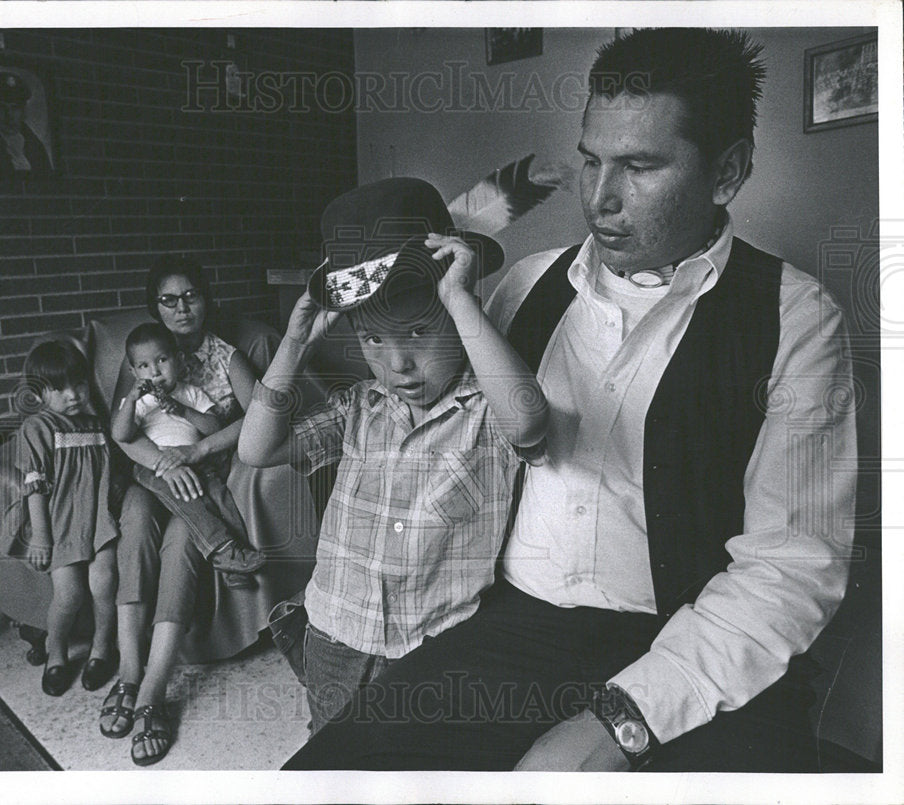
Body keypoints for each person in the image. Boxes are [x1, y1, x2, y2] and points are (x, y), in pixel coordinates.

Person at [283, 28, 857, 772]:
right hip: (508, 630)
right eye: (590, 159)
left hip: (691, 639)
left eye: (640, 166)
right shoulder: (523, 285)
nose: (599, 197)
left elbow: (791, 568)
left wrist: (620, 721)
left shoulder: (795, 317)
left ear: (728, 172)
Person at [240, 178, 549, 732]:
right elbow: (256, 449)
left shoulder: (487, 412)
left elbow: (528, 419)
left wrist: (456, 296)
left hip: (434, 650)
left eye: (417, 332)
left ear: (461, 317)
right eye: (374, 341)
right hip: (333, 635)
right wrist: (294, 345)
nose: (398, 364)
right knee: (336, 762)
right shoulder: (360, 406)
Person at [100, 255, 316, 767]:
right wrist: (162, 464)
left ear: (206, 298)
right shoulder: (143, 357)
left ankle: (151, 692)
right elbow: (123, 434)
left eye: (190, 295)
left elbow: (260, 417)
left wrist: (194, 454)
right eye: (167, 300)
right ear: (155, 307)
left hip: (201, 474)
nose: (181, 308)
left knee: (179, 541)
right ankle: (128, 673)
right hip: (152, 472)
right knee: (134, 524)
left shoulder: (225, 356)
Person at [3, 341, 119, 696]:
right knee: (68, 594)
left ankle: (103, 648)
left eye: (79, 384)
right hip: (61, 522)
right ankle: (57, 652)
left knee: (104, 582)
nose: (73, 395)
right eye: (59, 388)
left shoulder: (95, 422)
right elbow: (35, 486)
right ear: (39, 395)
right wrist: (42, 536)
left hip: (98, 519)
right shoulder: (38, 428)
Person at [111, 322, 267, 584]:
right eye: (144, 366)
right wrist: (131, 401)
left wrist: (183, 410)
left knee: (221, 497)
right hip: (155, 466)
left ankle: (236, 562)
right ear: (133, 371)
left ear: (179, 360)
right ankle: (220, 549)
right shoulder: (137, 402)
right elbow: (121, 434)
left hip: (197, 460)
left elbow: (213, 427)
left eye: (162, 360)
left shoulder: (192, 393)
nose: (155, 371)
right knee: (190, 500)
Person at [0, 71, 54, 179]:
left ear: (23, 110)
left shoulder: (35, 146)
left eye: (15, 108)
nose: (9, 116)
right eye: (1, 108)